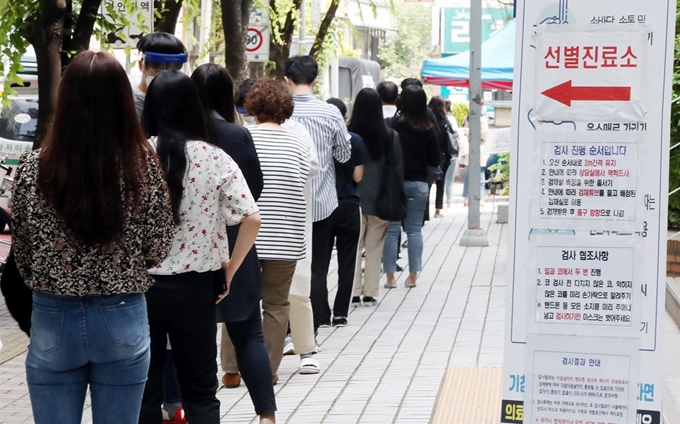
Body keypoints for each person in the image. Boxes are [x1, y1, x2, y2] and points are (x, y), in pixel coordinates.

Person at [12, 51, 175, 424]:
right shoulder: (143, 165)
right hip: (123, 317)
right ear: (122, 99)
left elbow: (22, 251)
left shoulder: (35, 167)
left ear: (64, 98)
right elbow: (159, 246)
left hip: (53, 317)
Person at [140, 70, 262, 424]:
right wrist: (231, 267)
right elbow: (250, 217)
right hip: (197, 286)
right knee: (200, 390)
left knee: (145, 389)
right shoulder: (215, 157)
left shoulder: (136, 156)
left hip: (142, 289)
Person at [191, 64, 276, 423]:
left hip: (187, 247)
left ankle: (187, 410)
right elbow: (252, 193)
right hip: (234, 243)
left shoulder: (175, 136)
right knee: (248, 334)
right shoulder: (238, 136)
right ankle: (267, 416)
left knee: (187, 340)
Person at [247, 79, 312, 379]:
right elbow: (306, 178)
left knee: (240, 302)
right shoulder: (298, 142)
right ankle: (269, 370)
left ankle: (232, 369)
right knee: (276, 305)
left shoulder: (245, 137)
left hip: (248, 235)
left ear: (254, 108)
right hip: (286, 235)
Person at [284, 55, 352, 332]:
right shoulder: (331, 112)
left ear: (287, 80)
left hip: (287, 202)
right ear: (315, 80)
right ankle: (312, 325)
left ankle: (287, 326)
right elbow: (344, 154)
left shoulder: (281, 112)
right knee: (318, 266)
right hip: (322, 201)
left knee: (287, 265)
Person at [383, 85, 440, 289]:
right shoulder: (429, 130)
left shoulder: (392, 125)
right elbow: (435, 160)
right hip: (419, 184)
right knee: (414, 230)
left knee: (392, 230)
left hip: (394, 184)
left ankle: (390, 276)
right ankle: (413, 275)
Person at [350, 88, 402, 305]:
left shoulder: (348, 133)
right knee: (374, 247)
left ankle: (353, 292)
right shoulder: (390, 135)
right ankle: (370, 292)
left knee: (353, 248)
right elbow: (398, 168)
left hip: (354, 198)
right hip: (381, 199)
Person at [325, 98, 370, 323]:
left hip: (322, 206)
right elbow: (358, 176)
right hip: (349, 205)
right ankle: (341, 313)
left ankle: (321, 312)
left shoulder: (318, 139)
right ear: (344, 117)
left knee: (319, 262)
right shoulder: (355, 140)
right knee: (347, 261)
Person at [132, 32, 187, 117]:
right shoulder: (130, 105)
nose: (166, 78)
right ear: (141, 65)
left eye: (173, 72)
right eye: (158, 71)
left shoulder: (182, 104)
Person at [428, 96, 455, 218]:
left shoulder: (427, 119)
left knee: (427, 183)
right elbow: (452, 134)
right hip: (443, 156)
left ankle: (424, 209)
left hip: (429, 154)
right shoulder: (444, 120)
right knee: (441, 182)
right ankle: (438, 209)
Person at [443, 99, 463, 209]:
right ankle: (449, 202)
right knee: (449, 179)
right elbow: (456, 135)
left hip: (440, 154)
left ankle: (439, 203)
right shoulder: (452, 119)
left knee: (440, 179)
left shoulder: (436, 119)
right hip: (452, 153)